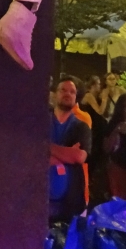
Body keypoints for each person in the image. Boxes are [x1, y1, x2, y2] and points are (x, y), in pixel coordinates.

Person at [49, 78, 91, 223]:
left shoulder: (81, 127)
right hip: (38, 201)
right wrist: (66, 153)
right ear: (54, 94)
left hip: (71, 203)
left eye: (72, 92)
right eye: (63, 90)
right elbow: (31, 154)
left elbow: (79, 157)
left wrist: (46, 147)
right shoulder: (41, 122)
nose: (68, 94)